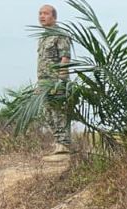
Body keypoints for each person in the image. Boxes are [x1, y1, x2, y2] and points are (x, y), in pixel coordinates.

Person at [37, 4, 72, 160]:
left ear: (54, 17)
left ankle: (63, 146)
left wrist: (61, 81)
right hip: (44, 82)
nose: (42, 16)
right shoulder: (42, 36)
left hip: (56, 81)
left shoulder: (60, 34)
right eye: (40, 14)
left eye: (45, 13)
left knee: (59, 112)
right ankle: (58, 144)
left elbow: (65, 58)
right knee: (47, 113)